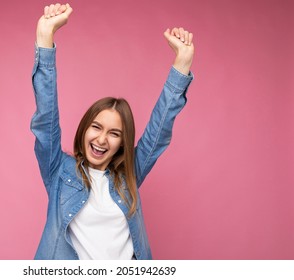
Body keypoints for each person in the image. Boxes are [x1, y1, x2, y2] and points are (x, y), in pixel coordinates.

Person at [31, 3, 194, 260]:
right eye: (96, 127)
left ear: (122, 143)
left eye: (114, 133)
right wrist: (45, 38)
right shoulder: (58, 170)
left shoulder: (129, 175)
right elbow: (45, 118)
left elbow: (158, 133)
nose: (102, 139)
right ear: (84, 130)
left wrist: (182, 64)